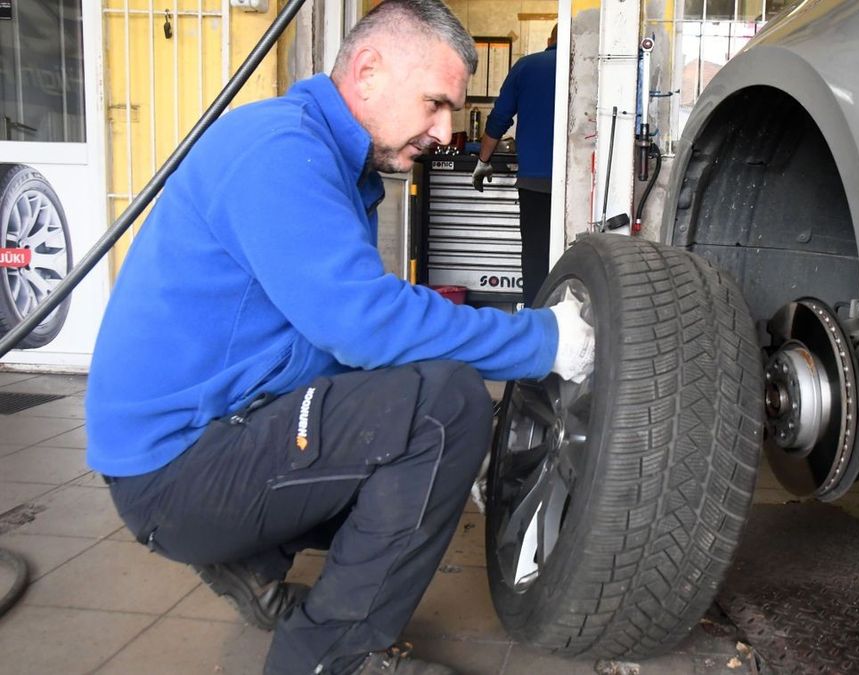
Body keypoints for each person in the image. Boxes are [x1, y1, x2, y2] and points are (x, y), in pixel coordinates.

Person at [83, 2, 593, 674]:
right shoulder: (281, 153)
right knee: (447, 409)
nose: (445, 132)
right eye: (436, 103)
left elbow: (326, 343)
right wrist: (540, 341)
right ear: (368, 70)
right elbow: (364, 324)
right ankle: (331, 657)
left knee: (407, 419)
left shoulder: (326, 159)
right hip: (173, 470)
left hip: (198, 442)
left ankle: (251, 556)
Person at [471, 25, 557, 306]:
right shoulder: (583, 69)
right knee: (571, 252)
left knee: (534, 255)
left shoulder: (526, 66)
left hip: (534, 182)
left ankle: (536, 318)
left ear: (548, 40)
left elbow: (499, 119)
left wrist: (483, 161)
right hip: (577, 184)